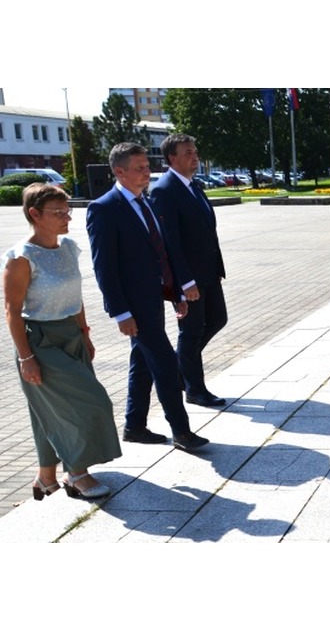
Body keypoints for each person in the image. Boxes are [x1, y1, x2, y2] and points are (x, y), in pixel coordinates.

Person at [86, 142, 209, 451]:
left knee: (142, 362)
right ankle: (181, 431)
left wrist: (176, 291)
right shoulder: (104, 209)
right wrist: (120, 313)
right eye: (139, 168)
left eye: (147, 166)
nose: (147, 173)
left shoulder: (148, 202)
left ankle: (135, 425)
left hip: (155, 299)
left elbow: (162, 253)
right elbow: (105, 267)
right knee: (167, 363)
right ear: (119, 171)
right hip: (133, 307)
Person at [3, 183, 121, 500]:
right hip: (40, 341)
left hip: (72, 334)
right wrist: (26, 358)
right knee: (92, 401)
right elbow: (12, 311)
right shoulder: (21, 257)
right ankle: (77, 473)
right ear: (34, 215)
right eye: (58, 213)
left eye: (67, 210)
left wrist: (84, 333)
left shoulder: (68, 247)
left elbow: (75, 295)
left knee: (46, 410)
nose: (67, 217)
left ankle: (45, 478)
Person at [150, 134, 228, 408]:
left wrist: (216, 268)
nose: (195, 156)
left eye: (195, 151)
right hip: (190, 279)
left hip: (208, 274)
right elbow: (170, 243)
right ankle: (194, 388)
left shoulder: (194, 186)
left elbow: (207, 232)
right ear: (172, 158)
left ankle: (181, 366)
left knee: (218, 319)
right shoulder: (164, 190)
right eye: (188, 152)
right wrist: (184, 282)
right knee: (191, 332)